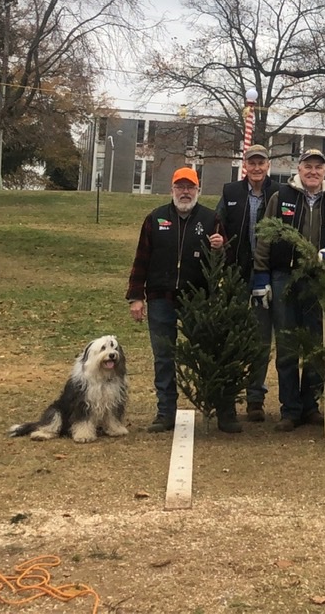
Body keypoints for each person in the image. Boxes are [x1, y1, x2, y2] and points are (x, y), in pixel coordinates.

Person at [252, 148, 325, 431]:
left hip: (318, 279)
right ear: (299, 170)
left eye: (318, 167)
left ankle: (310, 406)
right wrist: (260, 275)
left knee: (315, 343)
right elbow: (265, 235)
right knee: (287, 345)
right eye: (308, 167)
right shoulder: (281, 197)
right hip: (283, 277)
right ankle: (290, 410)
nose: (313, 172)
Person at [126, 167, 226, 432]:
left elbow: (223, 264)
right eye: (180, 187)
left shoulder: (211, 219)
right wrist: (136, 296)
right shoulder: (155, 218)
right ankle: (165, 411)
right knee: (163, 356)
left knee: (206, 353)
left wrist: (220, 248)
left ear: (197, 190)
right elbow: (141, 259)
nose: (185, 192)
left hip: (198, 298)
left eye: (190, 187)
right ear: (172, 189)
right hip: (160, 297)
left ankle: (214, 407)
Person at [212, 143, 278, 423]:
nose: (256, 167)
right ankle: (229, 395)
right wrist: (220, 246)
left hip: (266, 274)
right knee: (233, 334)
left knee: (261, 337)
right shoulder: (231, 192)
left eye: (261, 163)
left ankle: (255, 398)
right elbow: (217, 225)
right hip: (236, 274)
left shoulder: (279, 193)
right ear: (245, 166)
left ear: (268, 165)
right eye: (252, 163)